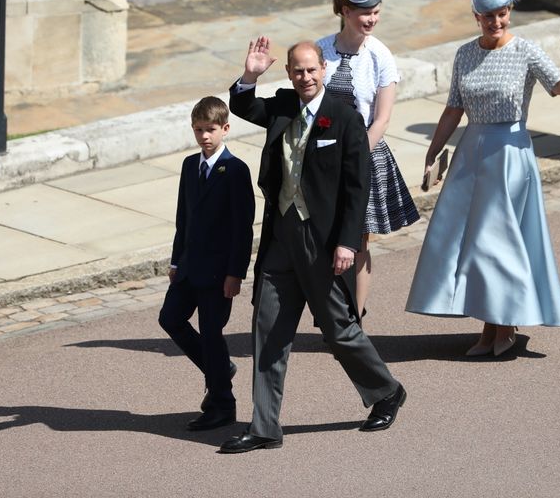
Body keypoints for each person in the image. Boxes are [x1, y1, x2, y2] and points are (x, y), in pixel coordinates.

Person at [219, 38, 406, 454]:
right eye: (297, 71)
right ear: (289, 73)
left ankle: (386, 390)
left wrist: (347, 243)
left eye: (311, 69)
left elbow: (358, 188)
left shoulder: (344, 116)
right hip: (280, 238)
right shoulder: (283, 105)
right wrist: (250, 73)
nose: (305, 77)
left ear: (323, 68)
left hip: (321, 242)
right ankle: (265, 426)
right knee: (267, 331)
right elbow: (242, 105)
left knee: (338, 330)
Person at [405, 0, 560, 356]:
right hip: (471, 154)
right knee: (471, 244)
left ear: (510, 11)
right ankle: (491, 327)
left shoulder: (526, 51)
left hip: (510, 157)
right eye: (487, 16)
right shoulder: (465, 54)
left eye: (501, 14)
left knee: (497, 243)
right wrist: (433, 151)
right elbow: (453, 109)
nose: (495, 22)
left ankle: (501, 327)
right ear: (476, 16)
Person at [316, 0, 419, 319]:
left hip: (363, 157)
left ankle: (354, 318)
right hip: (322, 157)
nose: (372, 19)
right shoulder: (321, 51)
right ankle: (329, 309)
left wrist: (354, 156)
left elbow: (383, 118)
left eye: (376, 13)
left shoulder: (380, 56)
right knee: (324, 237)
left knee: (356, 240)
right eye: (364, 13)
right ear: (345, 11)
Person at [158, 96, 255, 431]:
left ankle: (222, 404)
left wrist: (235, 274)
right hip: (188, 267)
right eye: (199, 130)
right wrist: (175, 261)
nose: (204, 136)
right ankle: (220, 369)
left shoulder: (236, 171)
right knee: (170, 319)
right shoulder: (189, 165)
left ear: (225, 129)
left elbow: (242, 229)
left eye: (211, 130)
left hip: (217, 274)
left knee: (212, 334)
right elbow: (182, 219)